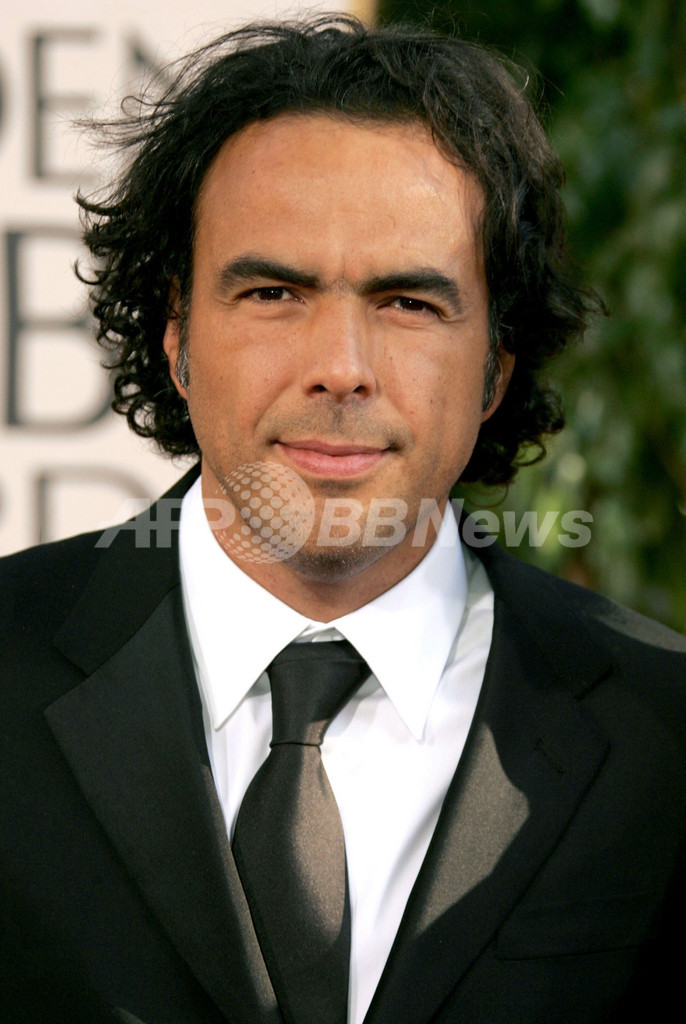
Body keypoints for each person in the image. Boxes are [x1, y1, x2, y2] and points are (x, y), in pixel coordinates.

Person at [1, 15, 684, 1024]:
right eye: (273, 292)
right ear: (177, 333)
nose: (340, 367)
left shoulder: (664, 734)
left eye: (408, 303)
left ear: (496, 365)